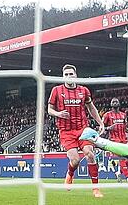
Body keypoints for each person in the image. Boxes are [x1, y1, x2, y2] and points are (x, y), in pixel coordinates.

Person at [48, 64, 106, 198]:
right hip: (66, 131)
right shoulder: (56, 90)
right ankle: (70, 174)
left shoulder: (84, 90)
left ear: (76, 75)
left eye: (71, 74)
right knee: (75, 160)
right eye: (66, 74)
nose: (69, 76)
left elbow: (91, 108)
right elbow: (49, 109)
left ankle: (95, 189)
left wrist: (100, 122)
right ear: (63, 76)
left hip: (82, 129)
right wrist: (58, 114)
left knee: (90, 154)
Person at [101, 98, 128, 183]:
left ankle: (119, 173)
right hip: (114, 141)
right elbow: (101, 128)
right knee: (122, 158)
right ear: (111, 104)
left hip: (124, 140)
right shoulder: (107, 115)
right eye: (113, 102)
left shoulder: (123, 115)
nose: (115, 103)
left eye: (116, 101)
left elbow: (125, 127)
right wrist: (107, 128)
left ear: (119, 103)